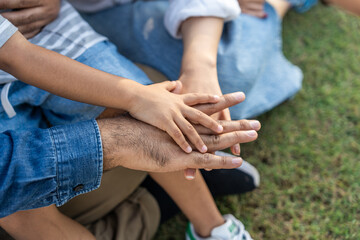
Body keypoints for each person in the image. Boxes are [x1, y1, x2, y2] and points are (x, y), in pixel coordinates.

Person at [0, 2, 261, 239]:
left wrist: (141, 98)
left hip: (48, 39)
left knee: (156, 116)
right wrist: (139, 98)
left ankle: (210, 226)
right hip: (19, 54)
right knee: (22, 211)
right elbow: (15, 57)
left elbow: (17, 53)